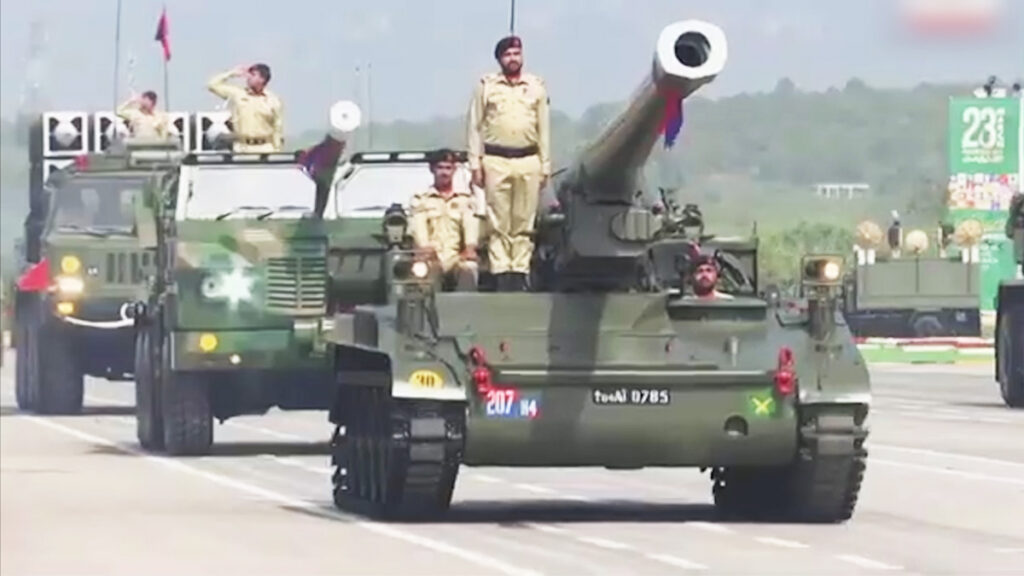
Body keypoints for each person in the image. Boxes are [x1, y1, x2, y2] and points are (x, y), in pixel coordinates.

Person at [466, 35, 550, 292]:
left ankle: (519, 270)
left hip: (528, 159)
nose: (513, 59)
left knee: (523, 220)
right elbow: (474, 126)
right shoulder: (487, 86)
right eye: (507, 55)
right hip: (496, 159)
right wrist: (474, 163)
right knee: (499, 220)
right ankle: (502, 271)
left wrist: (545, 165)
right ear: (500, 59)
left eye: (516, 53)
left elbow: (544, 128)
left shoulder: (536, 86)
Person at [409, 149, 480, 291]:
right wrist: (424, 247)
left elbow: (470, 225)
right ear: (432, 169)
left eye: (448, 168)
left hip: (456, 258)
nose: (444, 173)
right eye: (440, 168)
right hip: (432, 257)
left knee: (469, 268)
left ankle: (466, 304)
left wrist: (470, 247)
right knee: (422, 271)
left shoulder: (465, 199)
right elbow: (418, 226)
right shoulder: (421, 199)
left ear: (454, 170)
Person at [206, 63, 284, 152]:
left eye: (253, 75)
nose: (248, 77)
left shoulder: (273, 101)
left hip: (265, 148)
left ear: (262, 79)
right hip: (242, 147)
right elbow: (212, 85)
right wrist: (232, 73)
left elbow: (277, 127)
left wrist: (277, 149)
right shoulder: (237, 94)